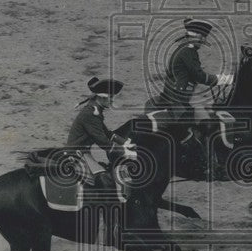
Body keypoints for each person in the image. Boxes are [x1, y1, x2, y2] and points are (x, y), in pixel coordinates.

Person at [145, 18, 233, 170]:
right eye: (203, 37)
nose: (204, 41)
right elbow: (200, 76)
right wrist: (225, 79)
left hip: (180, 95)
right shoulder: (188, 52)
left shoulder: (184, 49)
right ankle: (206, 163)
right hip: (178, 100)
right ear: (196, 36)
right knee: (207, 124)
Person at [66, 77, 135, 189]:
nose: (112, 100)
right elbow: (102, 141)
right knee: (101, 180)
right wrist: (124, 152)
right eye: (110, 97)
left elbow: (107, 133)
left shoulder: (94, 111)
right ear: (102, 98)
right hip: (77, 155)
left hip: (84, 153)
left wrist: (125, 143)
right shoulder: (91, 114)